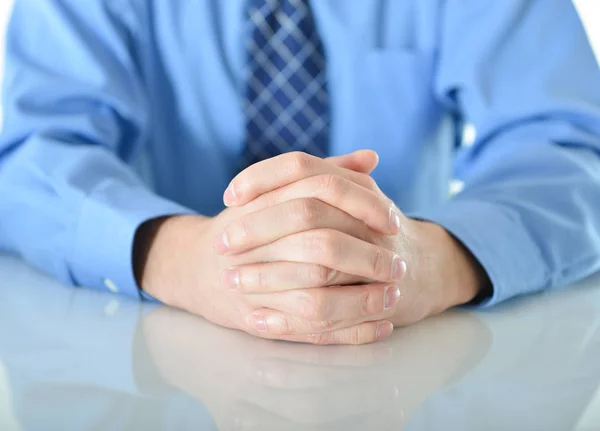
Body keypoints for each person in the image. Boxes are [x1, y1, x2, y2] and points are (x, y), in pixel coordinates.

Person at [0, 0, 599, 345]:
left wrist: (430, 261)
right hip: (165, 345)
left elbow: (571, 151)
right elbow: (29, 155)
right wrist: (183, 256)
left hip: (408, 348)